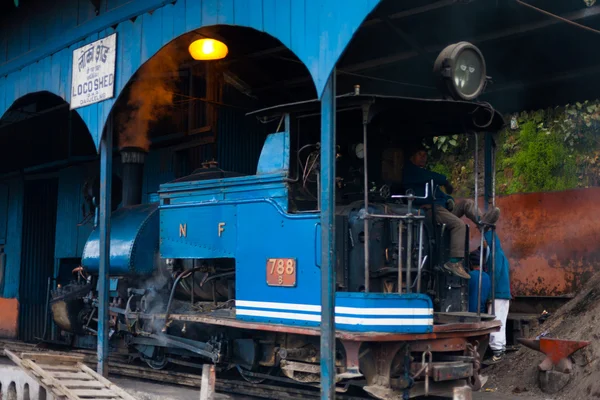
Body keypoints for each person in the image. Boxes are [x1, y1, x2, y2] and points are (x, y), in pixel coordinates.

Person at [401, 143, 500, 280]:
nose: (424, 158)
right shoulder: (411, 172)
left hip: (441, 209)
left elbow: (440, 194)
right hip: (430, 210)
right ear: (412, 156)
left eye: (425, 155)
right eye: (420, 155)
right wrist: (445, 181)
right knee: (459, 225)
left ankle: (482, 221)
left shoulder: (426, 177)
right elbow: (436, 178)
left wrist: (449, 199)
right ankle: (454, 262)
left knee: (467, 203)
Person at [485, 230, 511, 362]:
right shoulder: (501, 255)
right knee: (501, 321)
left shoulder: (495, 255)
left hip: (498, 294)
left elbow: (494, 275)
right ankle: (501, 349)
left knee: (495, 322)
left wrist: (490, 293)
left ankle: (497, 351)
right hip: (503, 294)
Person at [468, 247, 491, 313]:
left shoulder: (469, 275)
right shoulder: (487, 276)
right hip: (482, 312)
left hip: (469, 312)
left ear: (471, 263)